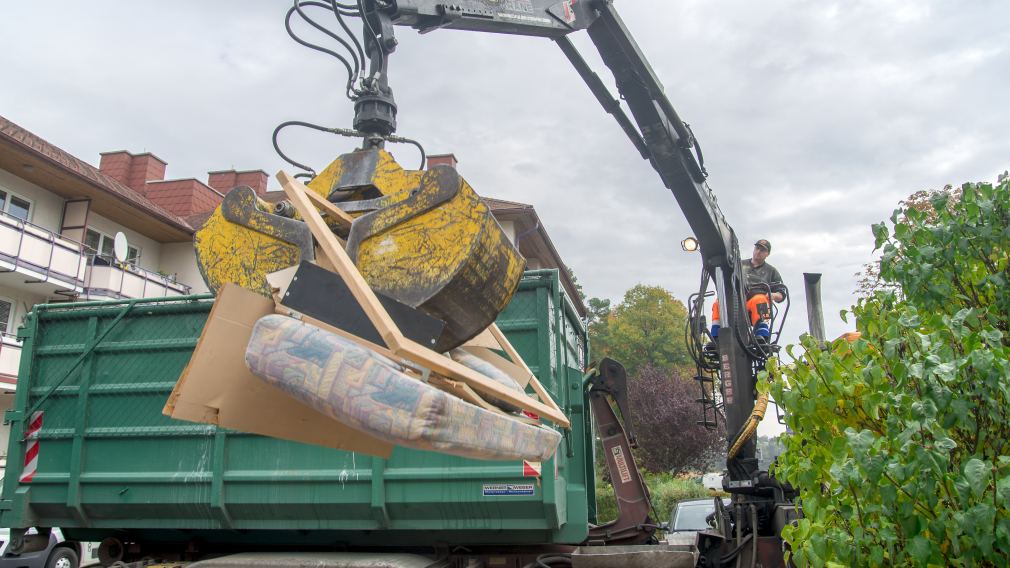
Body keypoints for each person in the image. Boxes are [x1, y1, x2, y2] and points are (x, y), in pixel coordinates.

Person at [709, 239, 785, 343]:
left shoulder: (771, 271)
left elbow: (781, 293)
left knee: (760, 299)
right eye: (757, 248)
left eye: (762, 250)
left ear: (767, 254)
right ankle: (716, 336)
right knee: (718, 303)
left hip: (753, 304)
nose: (758, 252)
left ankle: (761, 334)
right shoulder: (738, 265)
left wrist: (772, 295)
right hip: (737, 302)